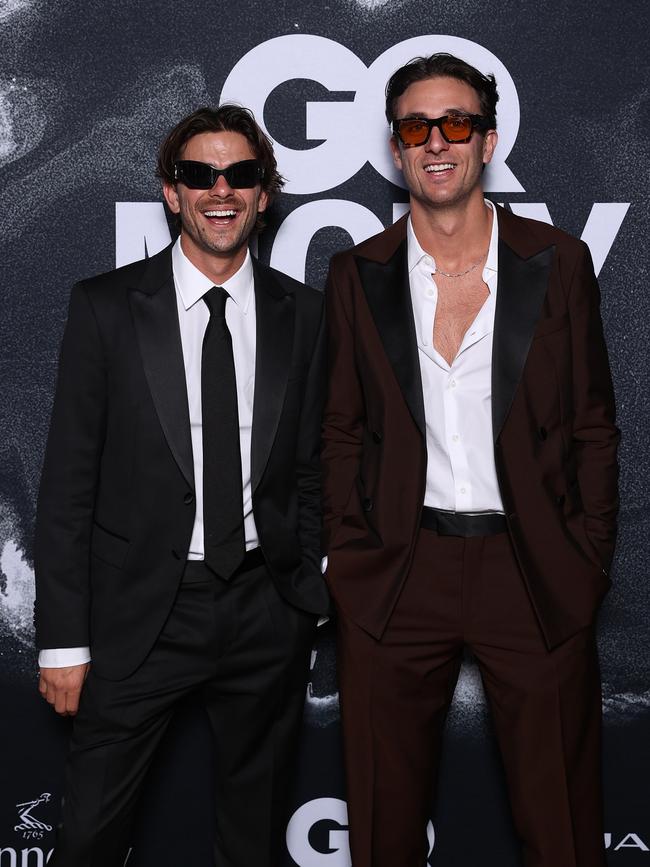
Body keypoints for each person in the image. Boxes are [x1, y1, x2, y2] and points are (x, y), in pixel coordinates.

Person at [321, 53, 618, 867]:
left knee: (561, 826)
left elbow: (594, 425)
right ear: (397, 148)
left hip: (532, 568)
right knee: (382, 828)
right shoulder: (358, 273)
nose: (437, 142)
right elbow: (340, 430)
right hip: (396, 570)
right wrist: (350, 560)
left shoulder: (557, 261)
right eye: (417, 127)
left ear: (488, 140)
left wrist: (583, 561)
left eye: (457, 123)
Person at [34, 104, 329, 867]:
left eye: (241, 174)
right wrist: (65, 638)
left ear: (266, 193)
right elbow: (68, 483)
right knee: (91, 835)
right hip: (140, 614)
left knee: (253, 839)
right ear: (171, 191)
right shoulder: (104, 307)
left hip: (268, 609)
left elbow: (314, 462)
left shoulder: (309, 315)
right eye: (200, 174)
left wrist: (309, 581)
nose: (220, 191)